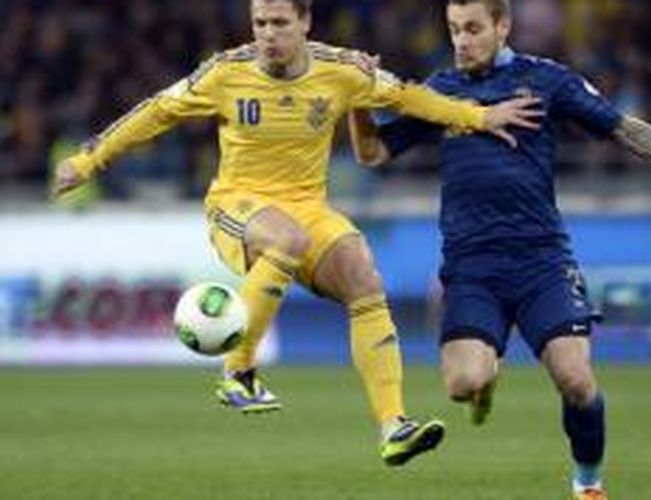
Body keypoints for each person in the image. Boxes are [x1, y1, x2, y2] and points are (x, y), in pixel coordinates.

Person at [51, 0, 527, 467]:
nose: (267, 33)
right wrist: (91, 160)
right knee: (287, 240)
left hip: (307, 208)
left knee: (364, 277)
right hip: (237, 205)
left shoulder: (341, 69)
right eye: (259, 22)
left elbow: (409, 96)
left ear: (305, 23)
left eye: (279, 22)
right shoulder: (224, 71)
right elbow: (155, 111)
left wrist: (479, 117)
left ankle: (393, 426)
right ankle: (237, 372)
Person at [348, 0, 651, 494]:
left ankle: (588, 484)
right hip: (472, 267)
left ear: (503, 26)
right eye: (453, 30)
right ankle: (487, 375)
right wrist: (358, 100)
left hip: (541, 260)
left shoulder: (547, 80)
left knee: (575, 380)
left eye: (472, 29)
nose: (461, 40)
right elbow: (372, 152)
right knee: (463, 385)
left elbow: (615, 124)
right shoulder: (440, 91)